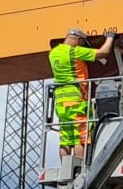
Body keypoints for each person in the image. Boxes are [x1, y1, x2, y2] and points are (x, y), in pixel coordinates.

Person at [48, 26, 114, 156]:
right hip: (76, 100)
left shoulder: (53, 53)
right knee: (81, 137)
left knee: (66, 139)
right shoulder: (74, 52)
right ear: (77, 40)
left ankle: (66, 171)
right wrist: (110, 37)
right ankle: (79, 170)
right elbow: (103, 52)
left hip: (60, 102)